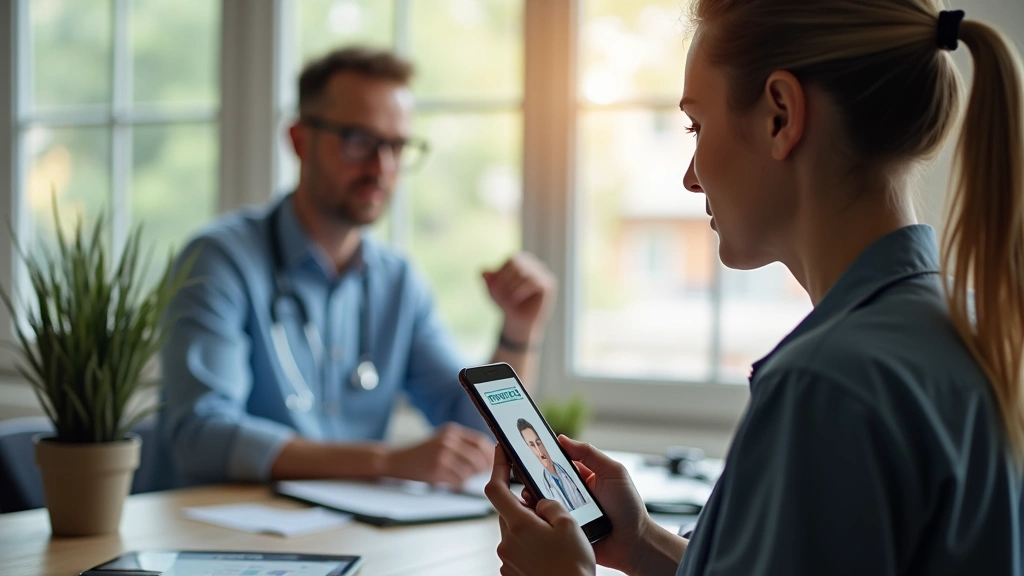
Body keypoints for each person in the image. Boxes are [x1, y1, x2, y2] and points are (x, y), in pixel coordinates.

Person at [485, 1, 1024, 575]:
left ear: (780, 115)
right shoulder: (968, 324)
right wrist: (643, 543)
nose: (690, 177)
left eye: (697, 125)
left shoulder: (828, 384)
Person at [159, 46, 557, 488]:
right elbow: (200, 438)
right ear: (298, 140)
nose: (382, 168)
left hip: (351, 535)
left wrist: (519, 331)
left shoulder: (398, 283)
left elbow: (475, 439)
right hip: (223, 537)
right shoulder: (219, 261)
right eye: (359, 141)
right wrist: (385, 462)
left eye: (397, 146)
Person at [516, 419, 587, 511]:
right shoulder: (543, 487)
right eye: (532, 445)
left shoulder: (572, 471)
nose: (538, 450)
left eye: (538, 443)